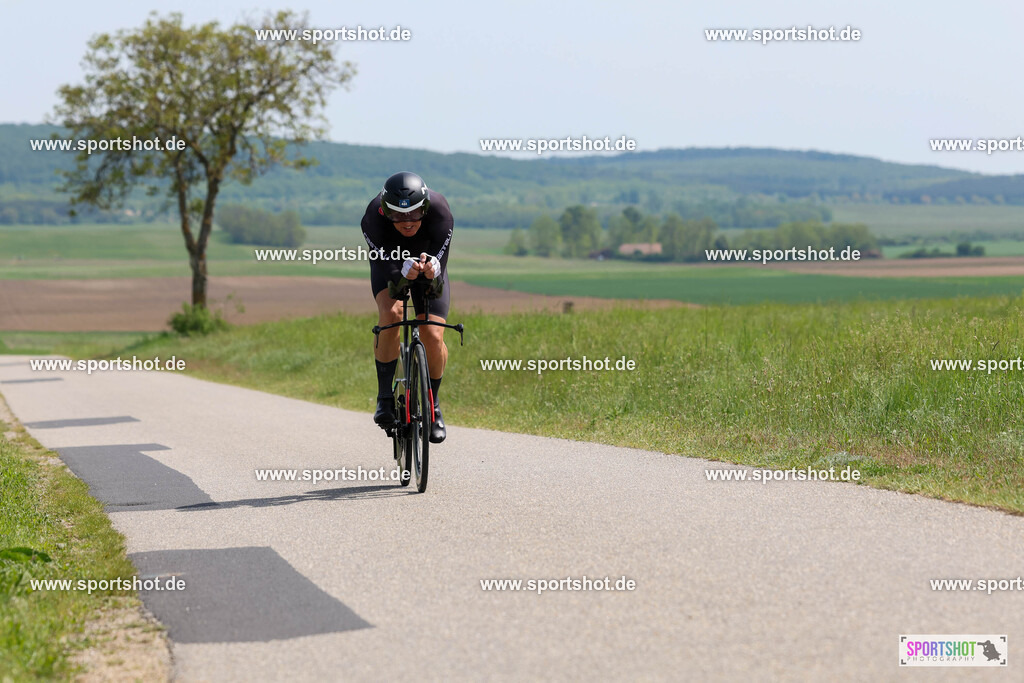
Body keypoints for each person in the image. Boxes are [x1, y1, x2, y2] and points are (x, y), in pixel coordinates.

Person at [361, 171, 453, 443]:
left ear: (425, 208)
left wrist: (432, 267)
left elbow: (441, 256)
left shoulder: (440, 211)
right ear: (385, 211)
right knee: (392, 314)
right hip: (389, 261)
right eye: (399, 216)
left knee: (433, 333)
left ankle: (433, 406)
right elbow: (381, 261)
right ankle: (384, 397)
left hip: (428, 264)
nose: (408, 222)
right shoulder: (372, 216)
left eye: (414, 214)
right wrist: (400, 271)